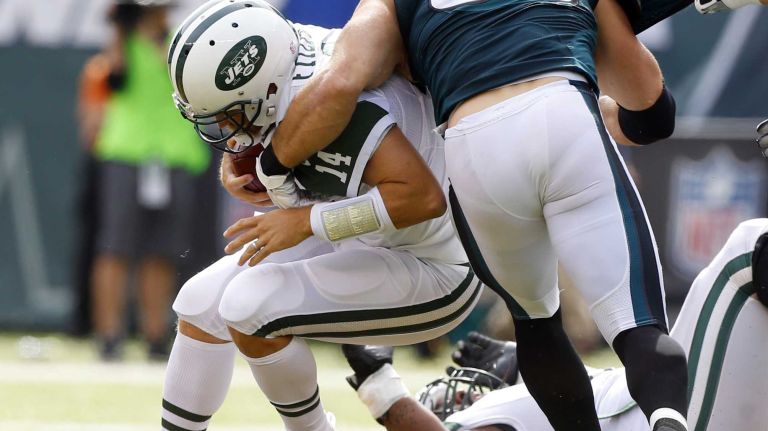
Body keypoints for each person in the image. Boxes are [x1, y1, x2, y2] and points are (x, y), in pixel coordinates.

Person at [255, 0, 689, 429]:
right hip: (564, 111)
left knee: (536, 324)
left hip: (472, 141)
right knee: (639, 328)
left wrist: (269, 166)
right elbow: (651, 113)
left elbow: (341, 81)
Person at [160, 2, 480, 430]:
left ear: (266, 90)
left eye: (229, 116)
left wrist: (307, 222)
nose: (223, 129)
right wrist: (241, 164)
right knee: (201, 302)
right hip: (368, 232)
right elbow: (265, 129)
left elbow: (422, 199)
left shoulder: (334, 107)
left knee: (248, 305)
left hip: (437, 265)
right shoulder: (286, 53)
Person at [342, 218, 768, 431]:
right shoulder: (489, 417)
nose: (466, 389)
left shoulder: (537, 405)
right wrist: (386, 395)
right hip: (678, 418)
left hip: (670, 410)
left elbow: (598, 402)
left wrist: (525, 369)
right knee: (749, 249)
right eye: (457, 399)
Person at [89, 0, 210, 360]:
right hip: (127, 154)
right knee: (116, 246)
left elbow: (187, 81)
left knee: (163, 250)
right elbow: (113, 79)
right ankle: (109, 334)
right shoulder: (119, 47)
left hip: (174, 156)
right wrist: (119, 30)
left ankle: (155, 334)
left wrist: (158, 40)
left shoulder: (179, 45)